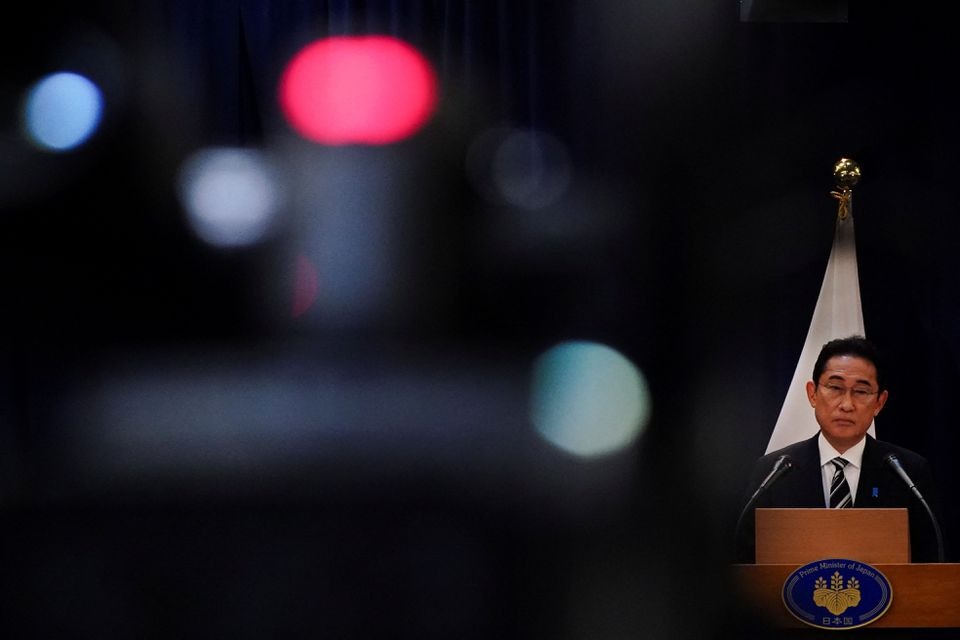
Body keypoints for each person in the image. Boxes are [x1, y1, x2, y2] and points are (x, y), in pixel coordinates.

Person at [735, 335, 946, 563]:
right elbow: (745, 561)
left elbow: (931, 561)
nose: (846, 405)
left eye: (861, 391)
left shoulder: (908, 472)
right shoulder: (774, 472)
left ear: (879, 403)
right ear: (812, 393)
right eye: (835, 387)